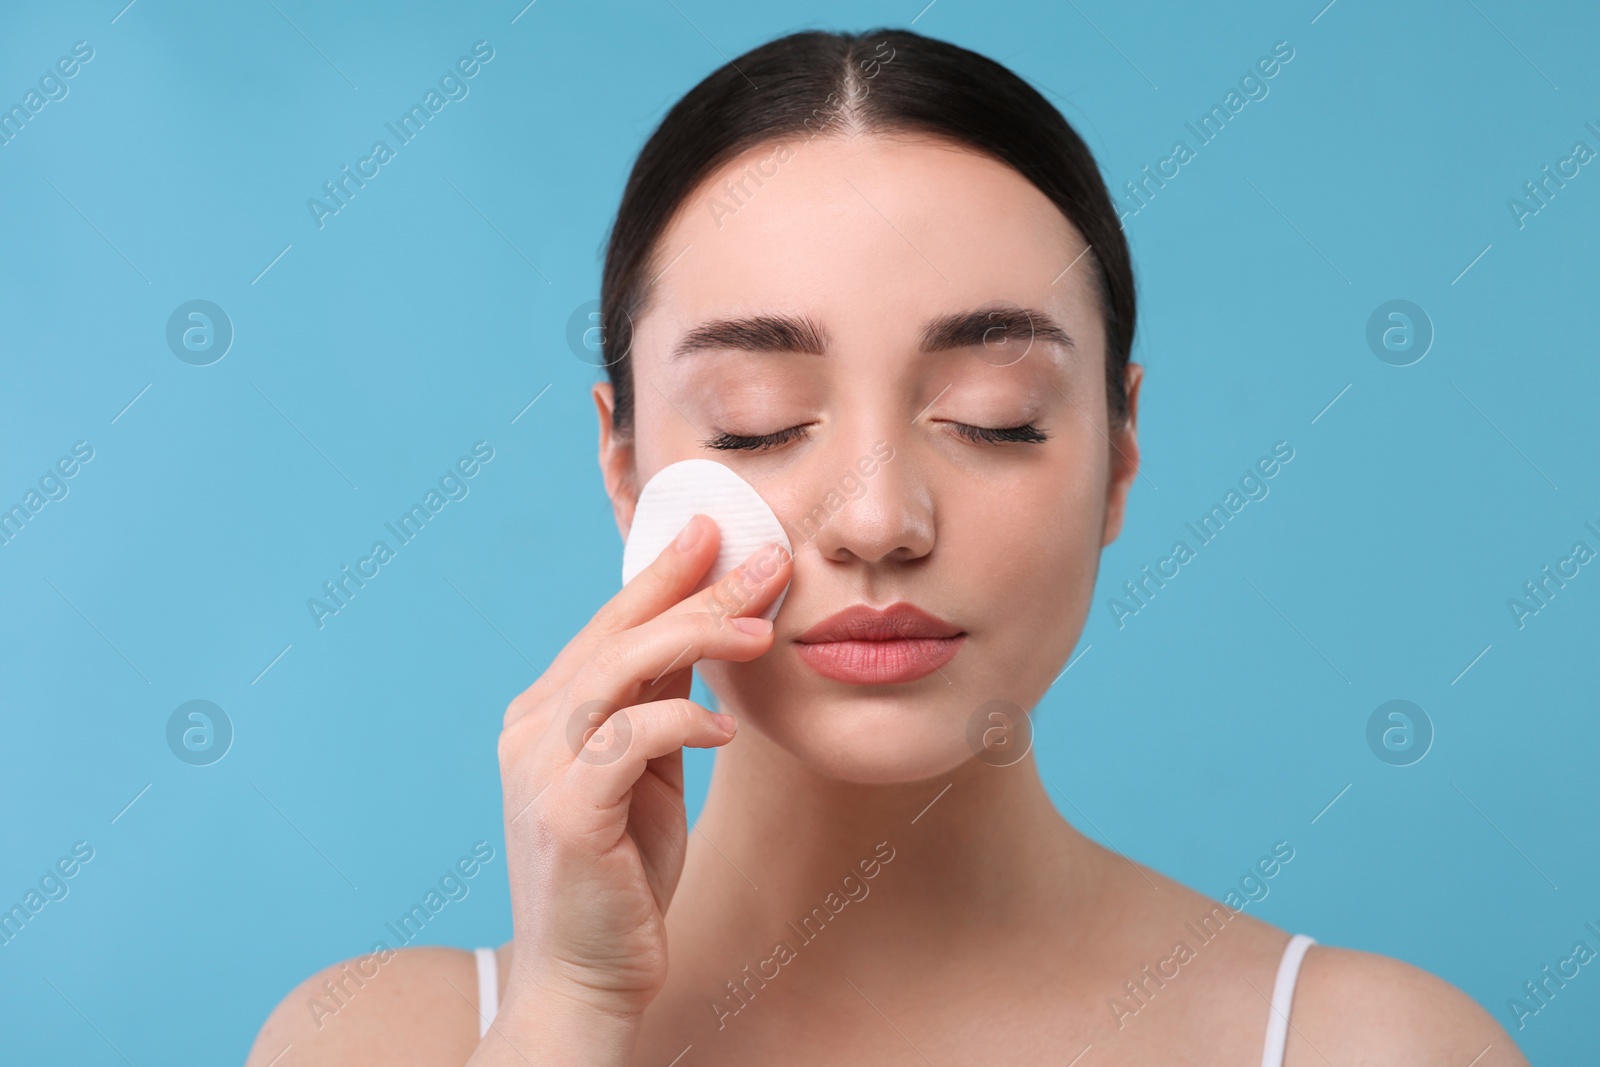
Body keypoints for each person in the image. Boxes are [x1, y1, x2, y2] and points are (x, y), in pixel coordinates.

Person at [246, 27, 1528, 1066]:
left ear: (1119, 456)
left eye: (994, 417)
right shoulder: (376, 1039)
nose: (875, 521)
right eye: (758, 426)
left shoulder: (1368, 1043)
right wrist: (566, 1014)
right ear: (624, 463)